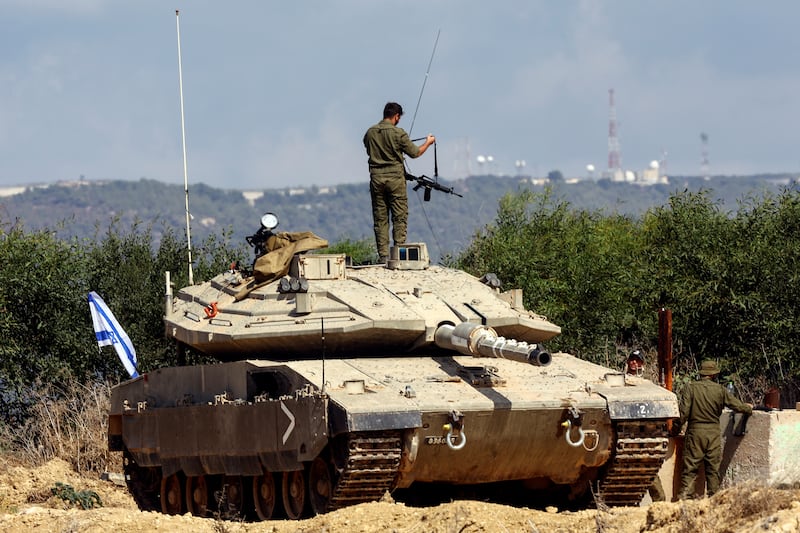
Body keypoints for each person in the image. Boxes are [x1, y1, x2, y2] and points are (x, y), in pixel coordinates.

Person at [363, 102, 435, 263]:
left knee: (380, 219)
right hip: (395, 180)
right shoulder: (399, 133)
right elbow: (415, 153)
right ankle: (399, 254)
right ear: (396, 116)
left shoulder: (370, 133)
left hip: (376, 180)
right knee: (399, 217)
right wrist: (428, 143)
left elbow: (368, 149)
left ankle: (383, 256)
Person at [676, 359, 753, 499]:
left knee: (690, 469)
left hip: (695, 432)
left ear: (701, 373)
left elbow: (683, 414)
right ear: (713, 375)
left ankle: (685, 503)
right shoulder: (720, 390)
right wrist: (748, 408)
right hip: (713, 433)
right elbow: (737, 406)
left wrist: (675, 429)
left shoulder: (690, 388)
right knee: (713, 470)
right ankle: (714, 502)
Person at [625, 350, 666, 502]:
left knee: (650, 469)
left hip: (647, 434)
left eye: (638, 360)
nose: (634, 363)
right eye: (632, 360)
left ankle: (660, 503)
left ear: (642, 363)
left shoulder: (648, 383)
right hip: (627, 433)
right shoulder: (620, 381)